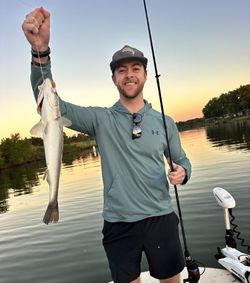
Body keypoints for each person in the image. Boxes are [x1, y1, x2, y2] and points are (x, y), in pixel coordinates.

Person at [22, 7, 191, 283]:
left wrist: (182, 173)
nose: (129, 75)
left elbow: (184, 161)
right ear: (114, 79)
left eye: (136, 68)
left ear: (146, 75)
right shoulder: (100, 119)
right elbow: (49, 103)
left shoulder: (165, 122)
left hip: (161, 217)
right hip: (118, 223)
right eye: (121, 70)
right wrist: (41, 52)